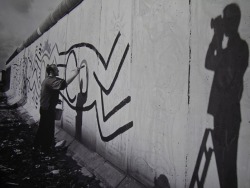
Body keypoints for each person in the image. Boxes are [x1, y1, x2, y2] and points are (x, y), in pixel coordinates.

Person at [205, 3, 248, 188]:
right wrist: (216, 38)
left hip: (229, 115)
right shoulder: (229, 46)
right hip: (221, 114)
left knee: (228, 170)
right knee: (222, 169)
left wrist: (218, 38)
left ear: (235, 21)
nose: (224, 23)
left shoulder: (240, 47)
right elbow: (209, 63)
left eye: (227, 19)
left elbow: (223, 69)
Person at [33, 61, 85, 153]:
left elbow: (48, 93)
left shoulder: (47, 80)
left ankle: (37, 146)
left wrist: (55, 100)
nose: (58, 71)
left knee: (42, 128)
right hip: (47, 109)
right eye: (57, 70)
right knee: (48, 130)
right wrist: (76, 73)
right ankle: (45, 149)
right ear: (52, 71)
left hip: (45, 108)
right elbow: (64, 84)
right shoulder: (51, 81)